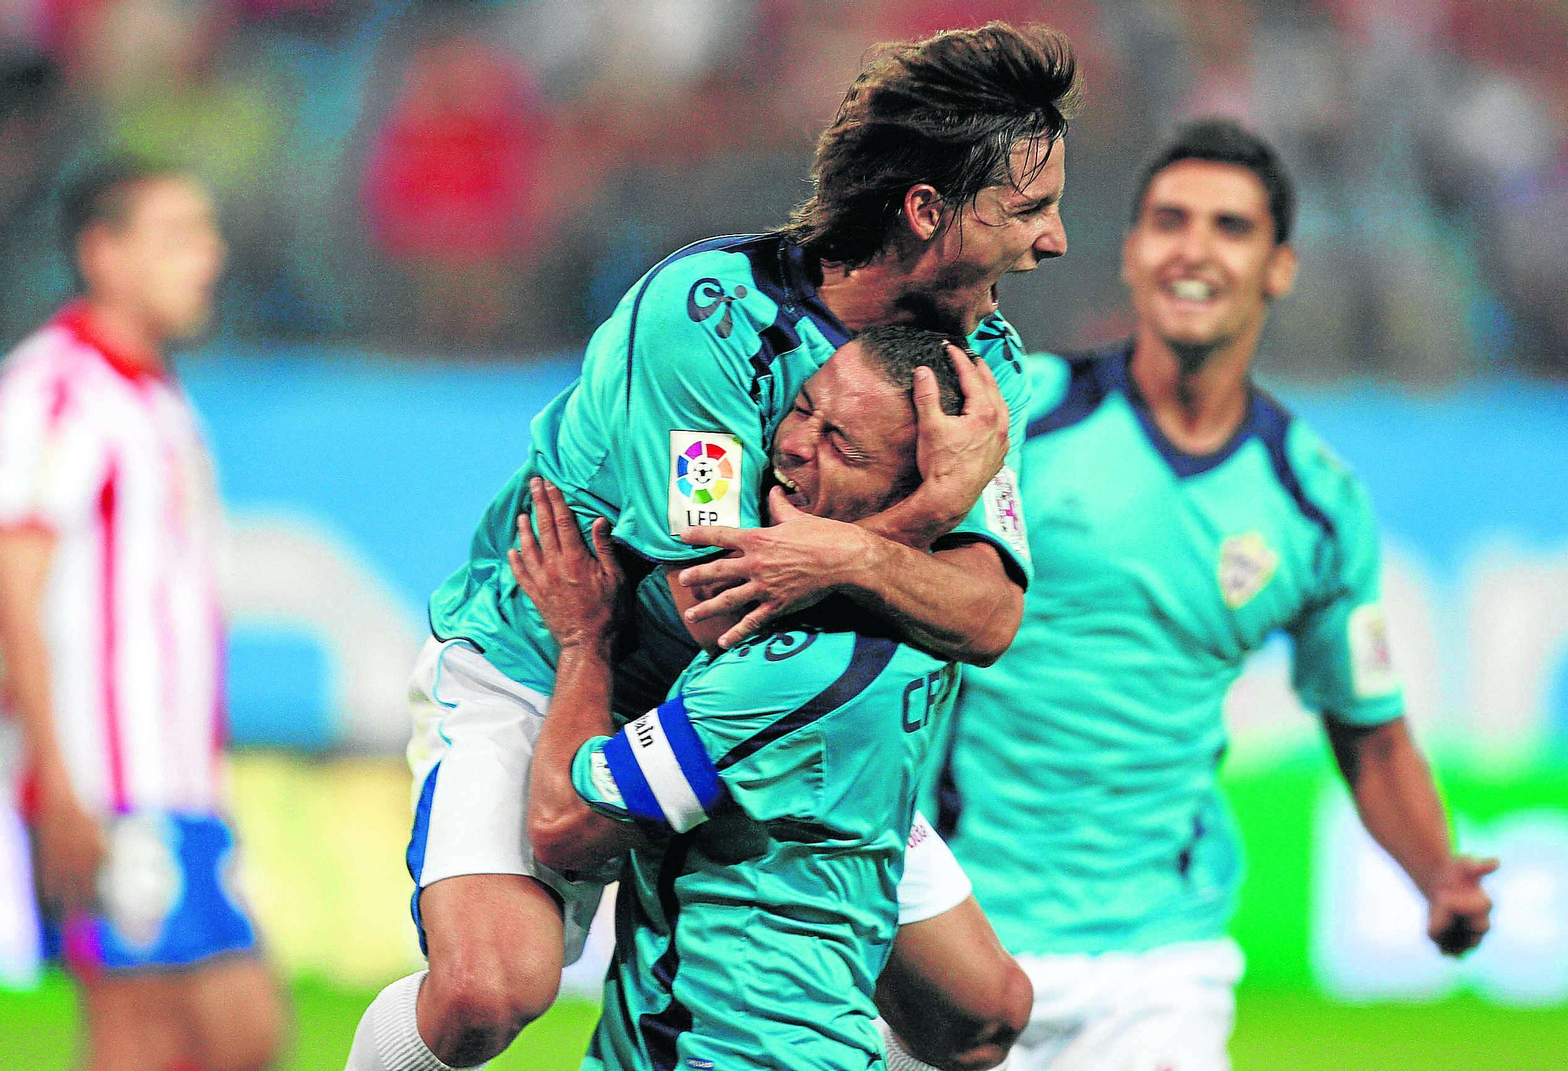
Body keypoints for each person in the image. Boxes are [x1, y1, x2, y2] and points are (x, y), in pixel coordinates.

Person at [346, 20, 1079, 1071]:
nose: (1054, 242)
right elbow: (714, 603)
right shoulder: (707, 318)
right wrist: (919, 521)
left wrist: (856, 555)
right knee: (482, 995)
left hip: (763, 705)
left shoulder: (979, 366)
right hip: (559, 650)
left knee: (980, 1014)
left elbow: (988, 614)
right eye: (1030, 209)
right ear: (927, 212)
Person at [937, 118, 1499, 1071]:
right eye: (1171, 221)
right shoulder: (1015, 414)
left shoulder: (1312, 503)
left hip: (1160, 966)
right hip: (955, 934)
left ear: (1279, 268)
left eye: (1230, 227)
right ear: (1132, 253)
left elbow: (1370, 729)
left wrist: (1436, 872)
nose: (1194, 249)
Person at [517, 327, 978, 1071]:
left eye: (842, 446)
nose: (793, 445)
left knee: (484, 986)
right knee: (987, 1010)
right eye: (803, 408)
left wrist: (583, 640)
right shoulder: (932, 621)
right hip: (824, 1039)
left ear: (909, 485)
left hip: (713, 1053)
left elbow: (566, 827)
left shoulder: (784, 674)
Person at [0, 157, 285, 1071]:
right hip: (103, 783)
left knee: (239, 1035)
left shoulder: (155, 396)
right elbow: (13, 588)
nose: (209, 258)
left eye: (206, 234)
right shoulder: (57, 390)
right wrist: (56, 782)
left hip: (178, 783)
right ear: (104, 253)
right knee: (146, 1037)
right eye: (178, 237)